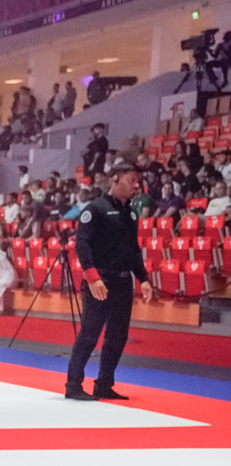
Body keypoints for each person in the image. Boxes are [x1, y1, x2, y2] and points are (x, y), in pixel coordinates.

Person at [65, 165, 154, 401]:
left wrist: (143, 278)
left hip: (124, 282)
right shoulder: (95, 209)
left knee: (118, 335)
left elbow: (133, 250)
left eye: (139, 181)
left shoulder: (131, 213)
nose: (137, 185)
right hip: (101, 280)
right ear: (115, 179)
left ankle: (104, 384)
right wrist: (92, 277)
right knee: (89, 334)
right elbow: (82, 244)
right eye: (132, 180)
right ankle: (73, 384)